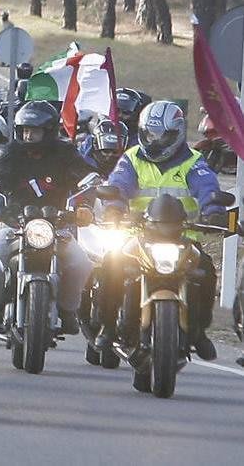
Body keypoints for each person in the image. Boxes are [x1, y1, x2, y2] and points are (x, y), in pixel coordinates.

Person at [95, 100, 225, 360]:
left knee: (206, 272)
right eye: (149, 135)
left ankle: (198, 331)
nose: (154, 141)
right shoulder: (131, 158)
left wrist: (213, 209)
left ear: (176, 134)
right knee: (110, 264)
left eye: (162, 135)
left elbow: (207, 185)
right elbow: (118, 184)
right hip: (137, 237)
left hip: (183, 238)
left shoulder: (193, 162)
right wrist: (114, 206)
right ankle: (107, 327)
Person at [0, 101, 94, 334]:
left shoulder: (65, 153)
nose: (29, 136)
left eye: (35, 131)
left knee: (82, 264)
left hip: (58, 225)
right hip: (16, 224)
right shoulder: (11, 153)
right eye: (25, 130)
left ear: (49, 131)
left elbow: (86, 177)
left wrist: (84, 202)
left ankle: (68, 310)